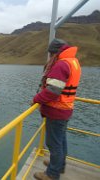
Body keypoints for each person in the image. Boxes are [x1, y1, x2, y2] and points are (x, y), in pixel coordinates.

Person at [32, 38, 81, 180]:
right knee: (61, 140)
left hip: (57, 111)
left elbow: (52, 91)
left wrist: (36, 99)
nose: (50, 56)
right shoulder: (73, 62)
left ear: (55, 52)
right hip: (66, 108)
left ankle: (52, 174)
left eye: (51, 54)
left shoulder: (61, 65)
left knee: (54, 144)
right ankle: (59, 164)